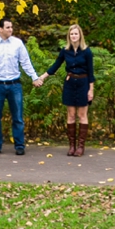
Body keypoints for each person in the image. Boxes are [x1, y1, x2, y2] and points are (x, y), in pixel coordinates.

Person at [0, 17, 41, 155]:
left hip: (14, 85)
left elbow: (25, 62)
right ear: (0, 29)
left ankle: (19, 145)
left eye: (11, 27)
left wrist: (34, 77)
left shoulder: (18, 43)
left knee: (18, 117)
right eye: (8, 27)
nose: (11, 30)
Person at [36, 23, 95, 156]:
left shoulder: (87, 51)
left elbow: (91, 73)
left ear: (80, 35)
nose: (74, 36)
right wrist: (43, 77)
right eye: (72, 34)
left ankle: (81, 147)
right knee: (71, 115)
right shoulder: (65, 51)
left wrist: (90, 90)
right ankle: (72, 146)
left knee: (82, 115)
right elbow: (56, 65)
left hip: (83, 83)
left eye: (76, 34)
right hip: (69, 84)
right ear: (69, 36)